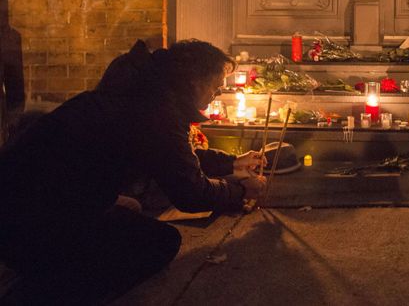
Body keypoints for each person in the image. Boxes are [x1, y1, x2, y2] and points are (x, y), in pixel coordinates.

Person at [0, 39, 266, 304]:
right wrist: (239, 190)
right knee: (159, 242)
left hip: (29, 200)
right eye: (216, 87)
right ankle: (50, 289)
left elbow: (170, 156)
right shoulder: (155, 111)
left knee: (127, 211)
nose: (215, 94)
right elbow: (190, 192)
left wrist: (232, 163)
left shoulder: (140, 92)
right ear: (196, 81)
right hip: (27, 219)